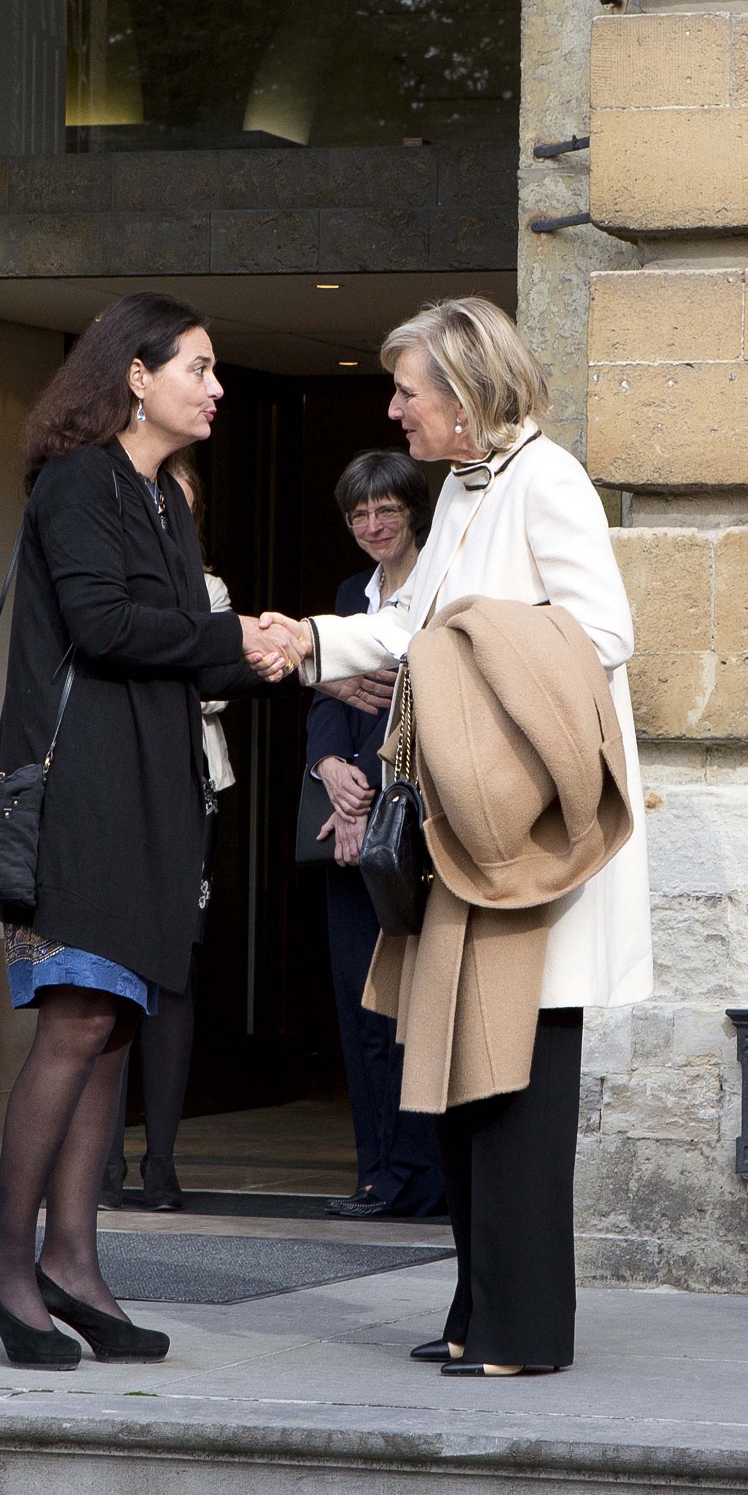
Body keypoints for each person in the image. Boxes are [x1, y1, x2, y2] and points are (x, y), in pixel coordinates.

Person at [258, 298, 654, 1376]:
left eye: (407, 391)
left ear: (465, 394)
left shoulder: (548, 477)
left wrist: (456, 650)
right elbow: (403, 625)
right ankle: (480, 1305)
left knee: (520, 1087)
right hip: (461, 835)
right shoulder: (468, 489)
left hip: (529, 833)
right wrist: (307, 638)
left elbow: (601, 628)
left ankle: (526, 1328)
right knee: (467, 1079)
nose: (394, 409)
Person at [0, 292, 295, 1370]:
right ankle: (5, 1265)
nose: (213, 386)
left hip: (153, 790)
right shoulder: (78, 482)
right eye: (195, 367)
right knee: (73, 1022)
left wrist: (260, 651)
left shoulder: (162, 496)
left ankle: (72, 1260)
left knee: (110, 1027)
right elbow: (107, 627)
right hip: (85, 798)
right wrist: (226, 635)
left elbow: (175, 646)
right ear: (135, 377)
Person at [306, 449, 445, 1220]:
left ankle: (423, 1177)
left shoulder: (439, 589)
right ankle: (376, 1173)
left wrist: (376, 797)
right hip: (348, 828)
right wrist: (329, 767)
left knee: (414, 1012)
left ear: (412, 509)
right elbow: (329, 695)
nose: (372, 525)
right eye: (358, 514)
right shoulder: (346, 595)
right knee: (360, 1011)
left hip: (415, 831)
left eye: (384, 509)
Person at [100, 451, 227, 1212]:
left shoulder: (210, 589)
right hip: (117, 791)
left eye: (174, 502)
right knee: (109, 973)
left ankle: (164, 1161)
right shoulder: (106, 586)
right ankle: (103, 1160)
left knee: (174, 971)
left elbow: (215, 686)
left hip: (193, 790)